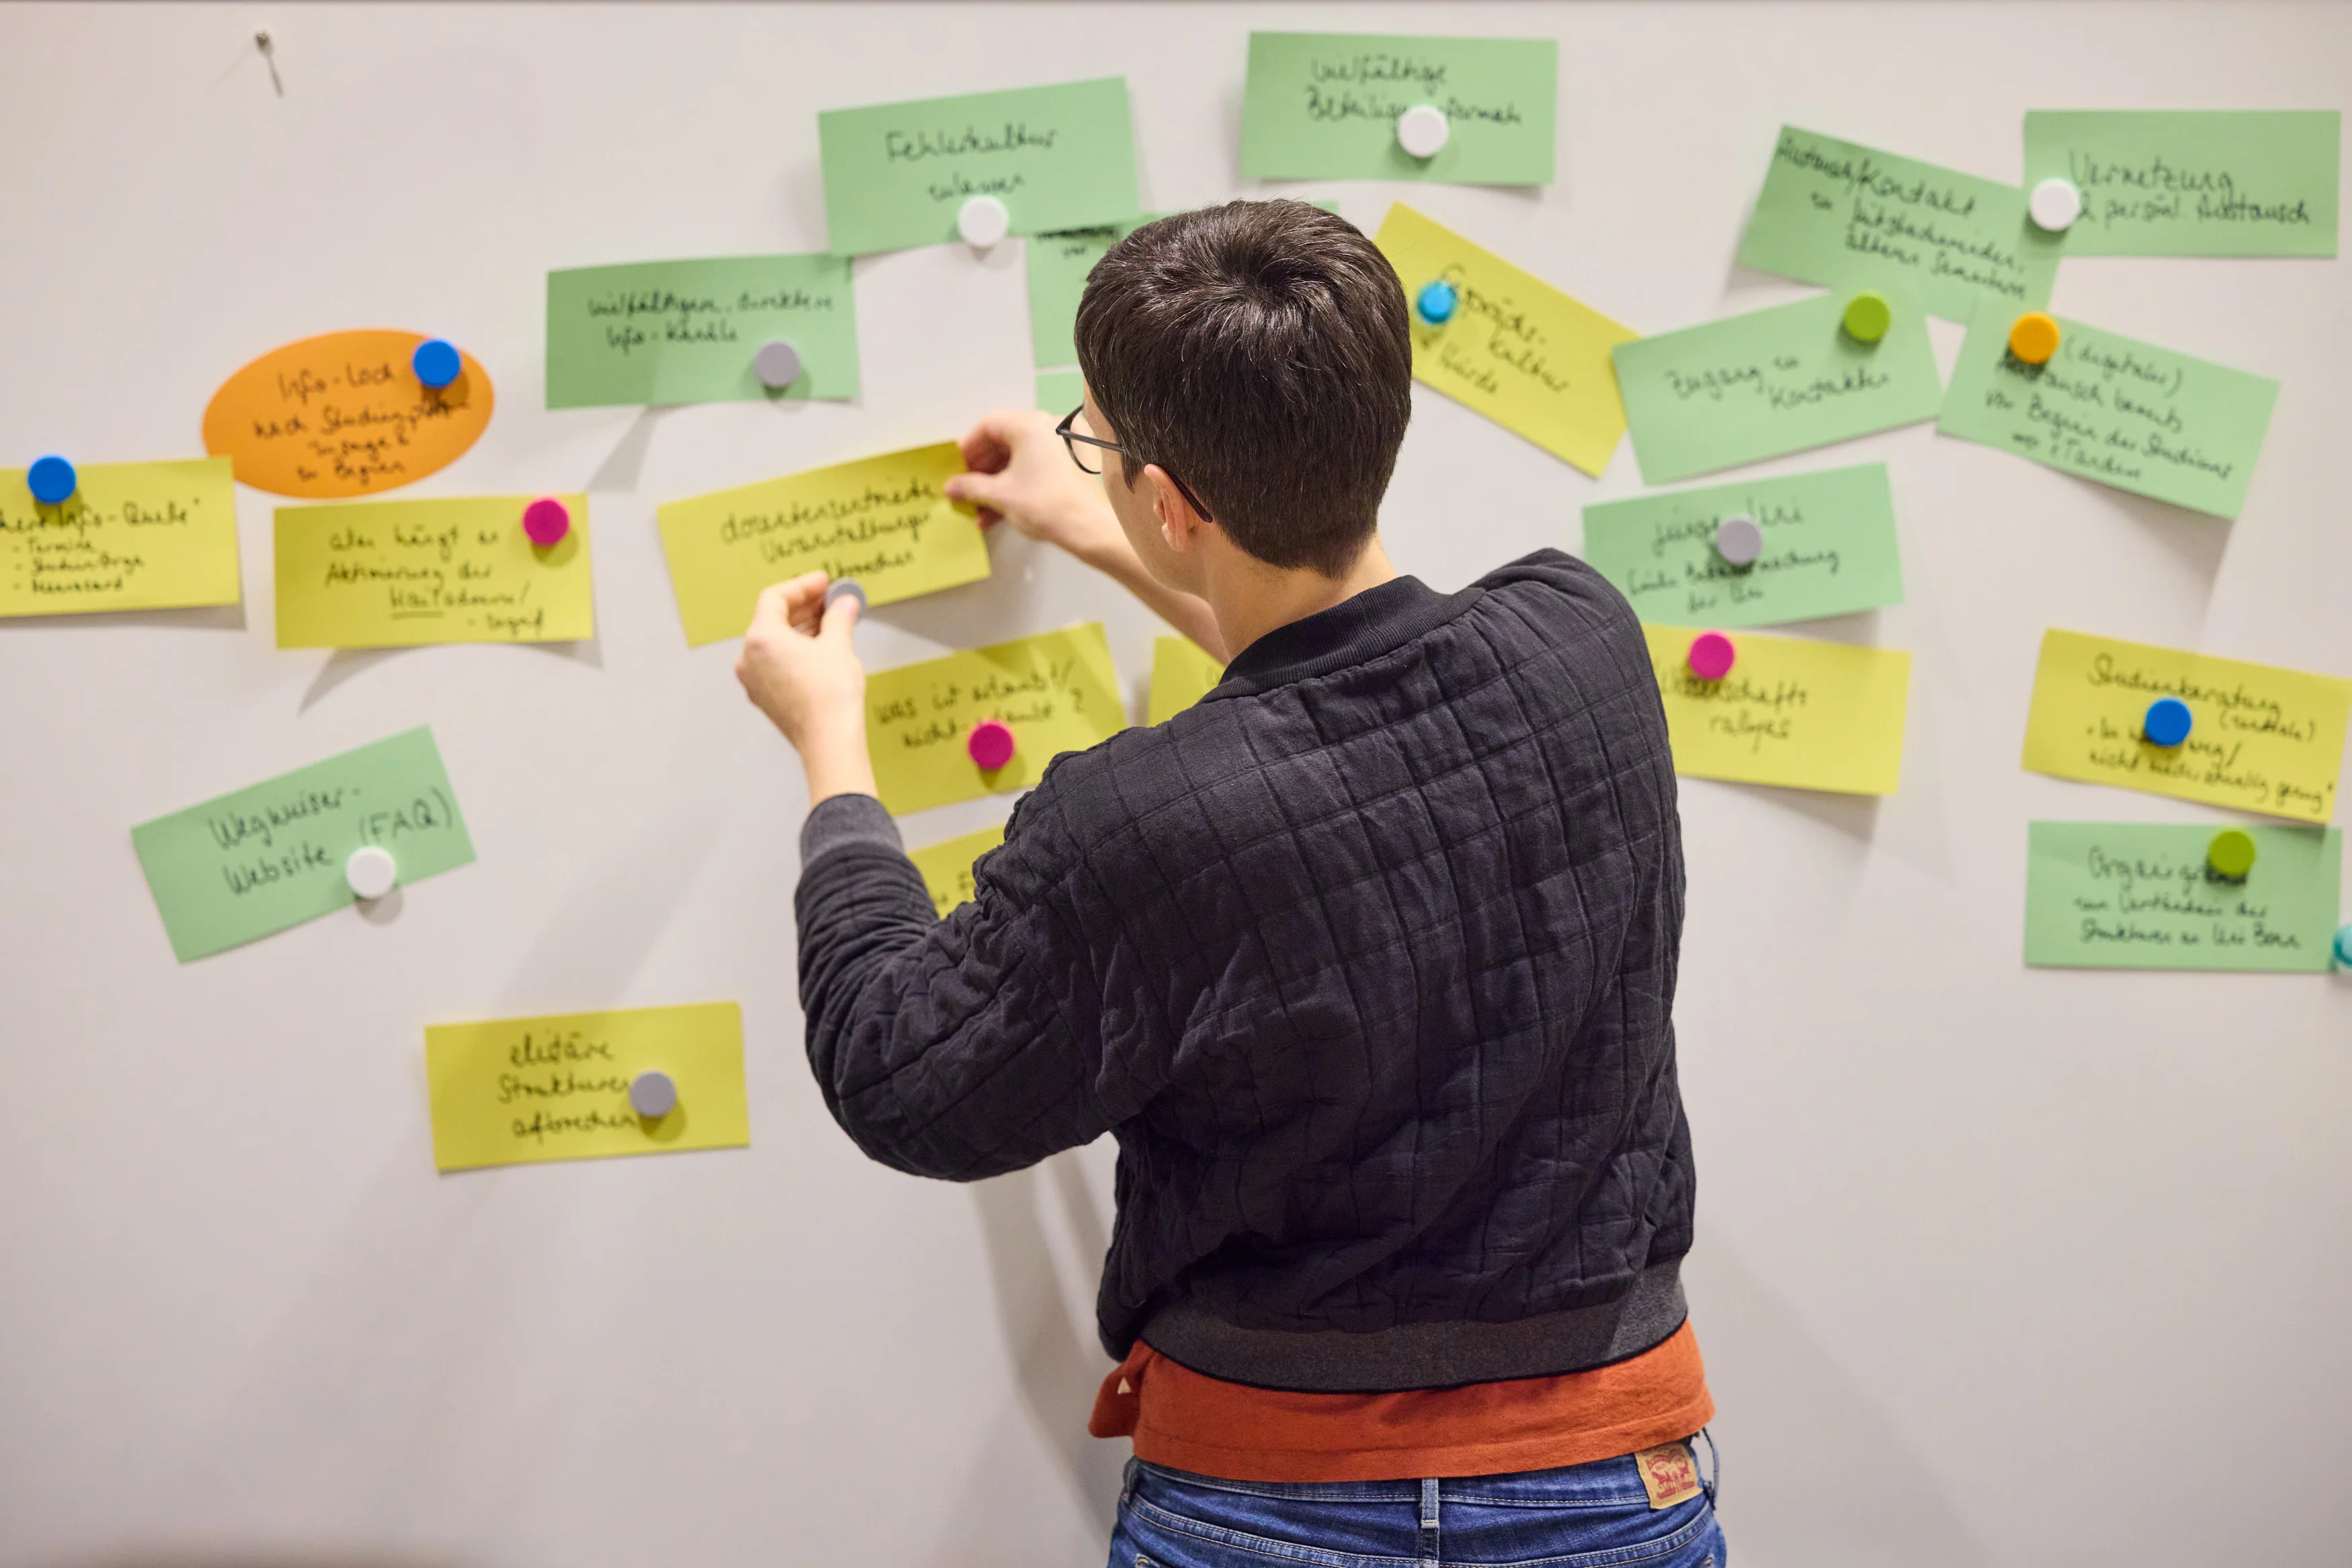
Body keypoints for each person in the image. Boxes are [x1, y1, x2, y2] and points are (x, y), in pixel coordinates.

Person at [734, 199, 1722, 1568]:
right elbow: (1361, 707)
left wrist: (830, 746)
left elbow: (901, 1072)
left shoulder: (1135, 825)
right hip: (1609, 1484)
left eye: (1100, 447)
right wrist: (1102, 528)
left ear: (1172, 501)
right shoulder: (1582, 641)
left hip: (1272, 1502)